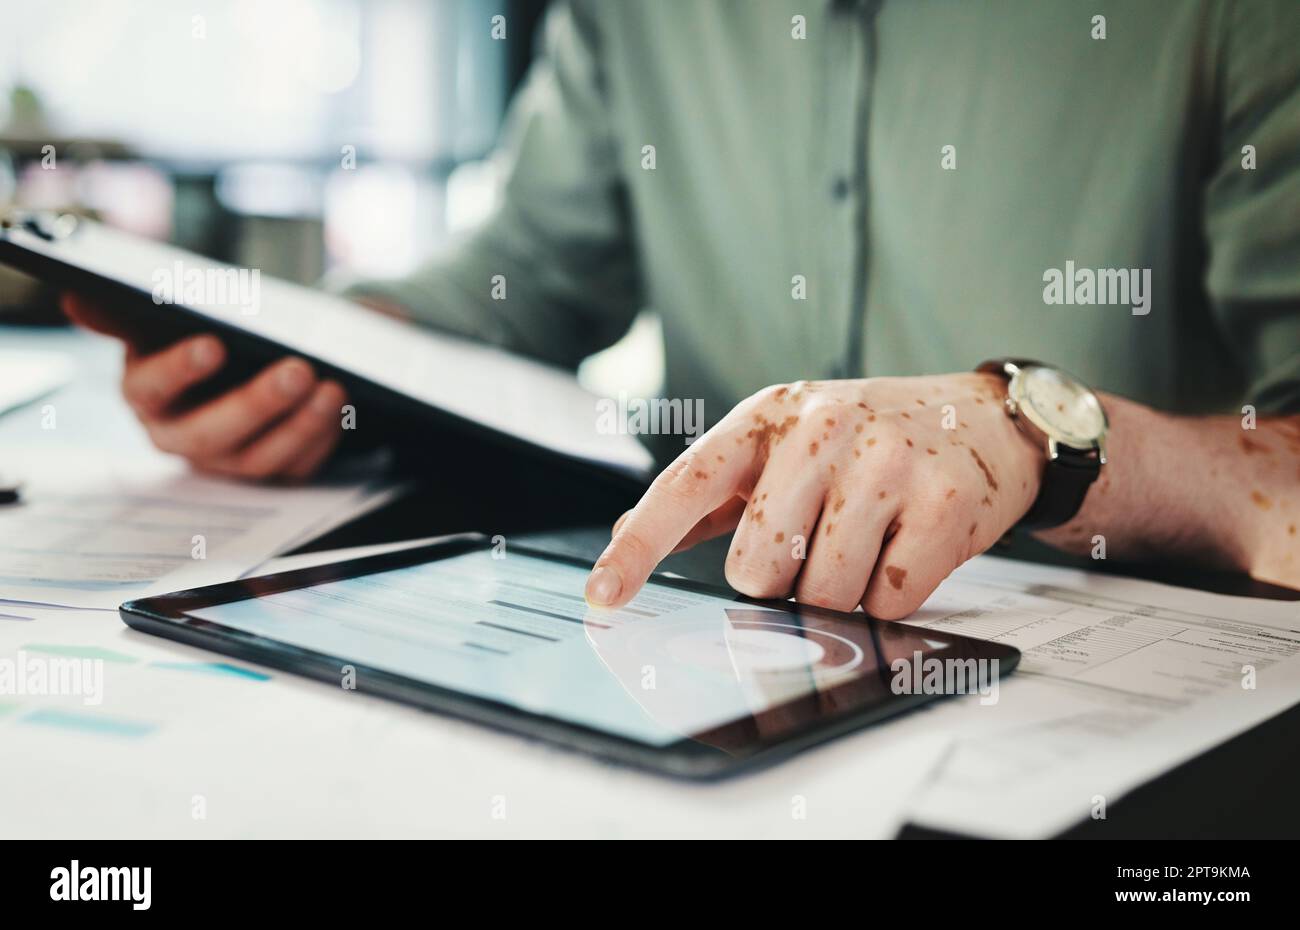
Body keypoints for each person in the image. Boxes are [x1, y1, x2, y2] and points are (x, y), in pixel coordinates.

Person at [65, 1, 1300, 619]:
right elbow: (530, 277)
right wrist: (296, 359)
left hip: (1118, 712)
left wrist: (1045, 437)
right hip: (712, 646)